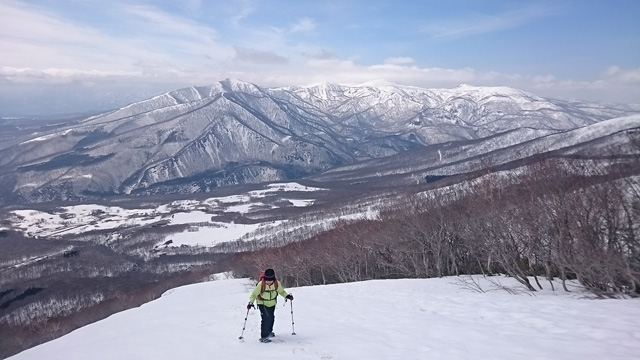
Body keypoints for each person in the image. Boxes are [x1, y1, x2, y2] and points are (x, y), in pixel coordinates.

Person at [247, 268, 293, 343]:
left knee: (271, 317)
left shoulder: (276, 283)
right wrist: (250, 303)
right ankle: (264, 336)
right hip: (262, 303)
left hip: (272, 303)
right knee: (266, 319)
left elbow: (281, 291)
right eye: (267, 280)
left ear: (273, 279)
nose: (269, 282)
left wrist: (287, 296)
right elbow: (254, 294)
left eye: (270, 280)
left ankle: (269, 331)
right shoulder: (261, 284)